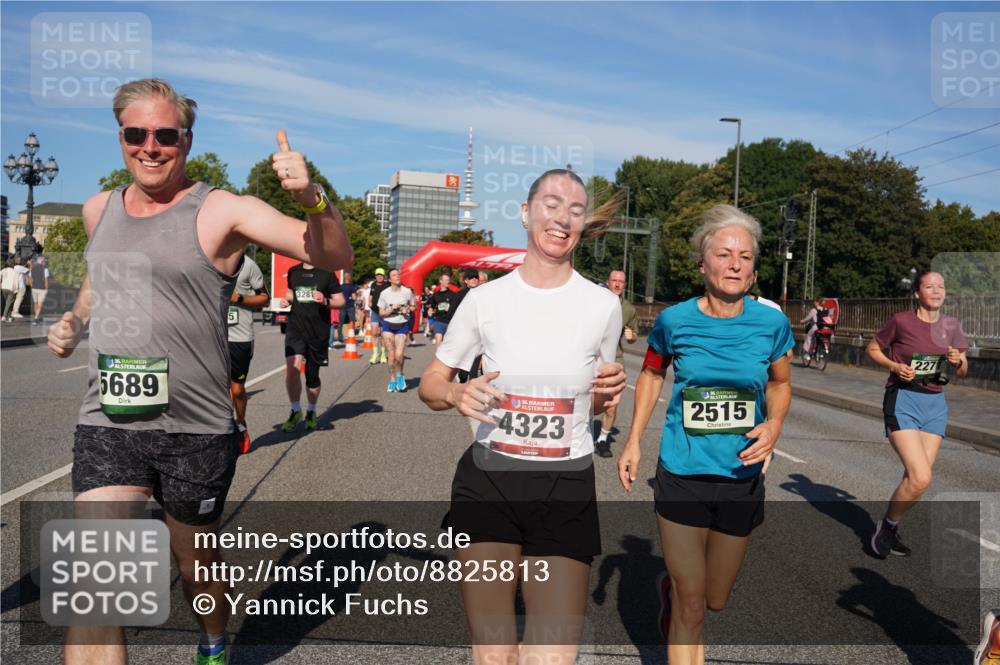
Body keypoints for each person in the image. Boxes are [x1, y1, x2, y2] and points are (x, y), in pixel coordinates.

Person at [46, 78, 352, 665]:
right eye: (136, 134)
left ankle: (212, 637)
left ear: (187, 140)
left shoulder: (224, 210)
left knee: (196, 566)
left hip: (196, 429)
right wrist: (74, 321)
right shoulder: (97, 209)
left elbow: (335, 256)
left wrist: (312, 199)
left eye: (166, 135)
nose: (150, 146)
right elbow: (100, 278)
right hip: (110, 420)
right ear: (120, 137)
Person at [419, 169, 626, 664]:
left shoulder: (602, 306)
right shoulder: (484, 300)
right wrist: (456, 392)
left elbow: (595, 402)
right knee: (494, 655)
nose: (562, 219)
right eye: (551, 205)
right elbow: (431, 384)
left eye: (575, 210)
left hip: (565, 484)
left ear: (583, 225)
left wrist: (607, 395)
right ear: (525, 212)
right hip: (489, 482)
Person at [617, 204, 793, 664]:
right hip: (682, 473)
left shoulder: (772, 324)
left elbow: (779, 383)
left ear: (754, 272)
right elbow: (651, 373)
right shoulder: (674, 321)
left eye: (745, 257)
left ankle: (669, 591)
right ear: (702, 264)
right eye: (724, 254)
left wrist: (774, 424)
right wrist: (634, 440)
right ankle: (679, 598)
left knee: (714, 599)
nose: (735, 264)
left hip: (741, 477)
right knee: (692, 604)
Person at [866, 270, 968, 559]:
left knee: (914, 477)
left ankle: (891, 526)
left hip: (935, 405)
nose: (936, 291)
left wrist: (957, 361)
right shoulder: (901, 321)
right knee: (921, 478)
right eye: (929, 286)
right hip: (903, 399)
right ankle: (887, 527)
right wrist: (894, 366)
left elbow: (963, 370)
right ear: (916, 293)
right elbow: (872, 348)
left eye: (941, 286)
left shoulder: (952, 326)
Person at [280, 262, 344, 431]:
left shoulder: (327, 273)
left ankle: (311, 410)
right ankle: (295, 410)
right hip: (296, 327)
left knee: (312, 376)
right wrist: (286, 299)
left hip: (318, 331)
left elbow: (340, 301)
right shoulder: (293, 271)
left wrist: (325, 300)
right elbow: (290, 292)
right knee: (292, 368)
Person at [227, 251, 269, 453]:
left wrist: (240, 298)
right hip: (213, 336)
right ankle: (221, 433)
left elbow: (265, 299)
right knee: (215, 390)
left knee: (237, 391)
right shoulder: (210, 261)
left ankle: (241, 424)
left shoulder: (248, 265)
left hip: (240, 338)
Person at [595, 269, 638, 458]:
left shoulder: (628, 309)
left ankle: (602, 440)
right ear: (608, 282)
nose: (618, 284)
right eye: (614, 280)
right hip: (591, 357)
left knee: (611, 405)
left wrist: (632, 336)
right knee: (581, 400)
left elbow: (633, 336)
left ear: (625, 285)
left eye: (621, 281)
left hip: (615, 359)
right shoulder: (594, 301)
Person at [377, 268, 414, 392]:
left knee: (399, 355)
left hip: (402, 324)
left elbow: (413, 307)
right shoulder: (384, 293)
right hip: (388, 325)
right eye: (394, 275)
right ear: (389, 279)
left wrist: (407, 310)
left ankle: (400, 375)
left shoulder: (407, 291)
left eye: (398, 274)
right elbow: (381, 312)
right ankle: (392, 379)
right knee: (391, 356)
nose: (397, 276)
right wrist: (391, 309)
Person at [453, 268, 482, 384]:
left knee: (475, 365)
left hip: (479, 334)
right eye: (471, 278)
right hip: (463, 333)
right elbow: (451, 314)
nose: (474, 279)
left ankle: (472, 387)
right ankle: (462, 378)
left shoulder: (484, 294)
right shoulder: (459, 295)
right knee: (464, 368)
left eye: (476, 277)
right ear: (466, 281)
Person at [427, 272, 460, 346]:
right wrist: (430, 310)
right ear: (441, 281)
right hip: (438, 321)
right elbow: (431, 305)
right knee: (438, 341)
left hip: (449, 322)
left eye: (448, 280)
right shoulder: (436, 295)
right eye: (445, 280)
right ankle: (438, 353)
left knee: (447, 344)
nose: (447, 281)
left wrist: (450, 309)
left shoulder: (453, 294)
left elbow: (457, 308)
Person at [368, 268, 389, 364]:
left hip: (384, 312)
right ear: (375, 276)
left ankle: (383, 354)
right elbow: (371, 295)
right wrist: (369, 301)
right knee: (374, 333)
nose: (379, 277)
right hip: (375, 311)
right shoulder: (373, 284)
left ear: (383, 276)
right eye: (378, 275)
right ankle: (375, 353)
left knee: (383, 334)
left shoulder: (387, 285)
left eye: (381, 275)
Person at [330, 271, 357, 348]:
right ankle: (352, 336)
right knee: (352, 322)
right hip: (350, 306)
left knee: (340, 323)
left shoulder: (340, 287)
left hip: (342, 306)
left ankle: (340, 338)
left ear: (344, 278)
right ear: (349, 278)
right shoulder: (352, 287)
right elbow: (354, 297)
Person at [30, 254, 50, 324]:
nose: (45, 262)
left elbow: (30, 278)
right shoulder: (45, 269)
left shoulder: (32, 268)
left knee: (35, 303)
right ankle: (36, 318)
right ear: (42, 262)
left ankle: (37, 317)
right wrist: (47, 289)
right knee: (40, 304)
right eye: (44, 261)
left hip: (34, 288)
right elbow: (46, 280)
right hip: (42, 288)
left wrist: (31, 285)